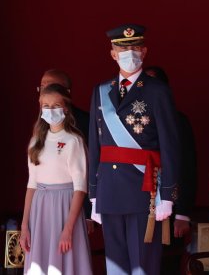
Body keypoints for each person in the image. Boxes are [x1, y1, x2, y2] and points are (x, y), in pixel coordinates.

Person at [88, 24, 180, 275]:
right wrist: (94, 195)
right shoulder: (100, 91)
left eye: (135, 47)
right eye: (123, 48)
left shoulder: (157, 90)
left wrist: (168, 195)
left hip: (145, 192)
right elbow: (95, 146)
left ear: (145, 51)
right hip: (109, 190)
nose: (130, 52)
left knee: (143, 266)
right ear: (113, 53)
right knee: (115, 266)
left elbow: (170, 145)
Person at [20, 83, 92, 274]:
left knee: (65, 262)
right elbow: (31, 185)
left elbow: (80, 187)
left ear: (65, 108)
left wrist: (68, 228)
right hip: (40, 209)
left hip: (64, 208)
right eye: (46, 106)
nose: (51, 111)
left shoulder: (73, 140)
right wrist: (25, 225)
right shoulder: (36, 141)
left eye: (55, 106)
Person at [144, 66, 197, 275]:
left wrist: (183, 213)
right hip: (137, 204)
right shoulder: (128, 121)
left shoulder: (178, 121)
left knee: (166, 266)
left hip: (169, 208)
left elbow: (187, 167)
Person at [38, 69, 94, 234]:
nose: (46, 90)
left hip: (74, 204)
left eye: (52, 86)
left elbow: (89, 171)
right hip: (44, 206)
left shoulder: (85, 123)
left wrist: (89, 212)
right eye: (42, 86)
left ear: (67, 94)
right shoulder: (40, 128)